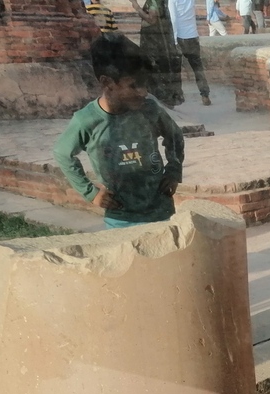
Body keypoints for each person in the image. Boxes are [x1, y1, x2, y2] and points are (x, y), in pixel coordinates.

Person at [53, 35, 185, 229]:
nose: (143, 92)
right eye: (133, 85)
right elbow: (63, 153)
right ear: (107, 83)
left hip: (161, 211)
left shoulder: (150, 110)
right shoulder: (87, 120)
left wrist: (173, 170)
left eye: (145, 84)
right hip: (121, 218)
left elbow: (174, 136)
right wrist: (91, 193)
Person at [131, 0, 184, 106]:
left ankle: (162, 100)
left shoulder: (154, 1)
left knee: (155, 74)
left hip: (155, 46)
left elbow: (151, 19)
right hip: (158, 45)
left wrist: (136, 6)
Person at [169, 0, 212, 105]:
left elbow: (173, 19)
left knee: (176, 69)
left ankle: (178, 96)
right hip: (193, 35)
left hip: (179, 37)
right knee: (198, 68)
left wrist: (174, 40)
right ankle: (205, 94)